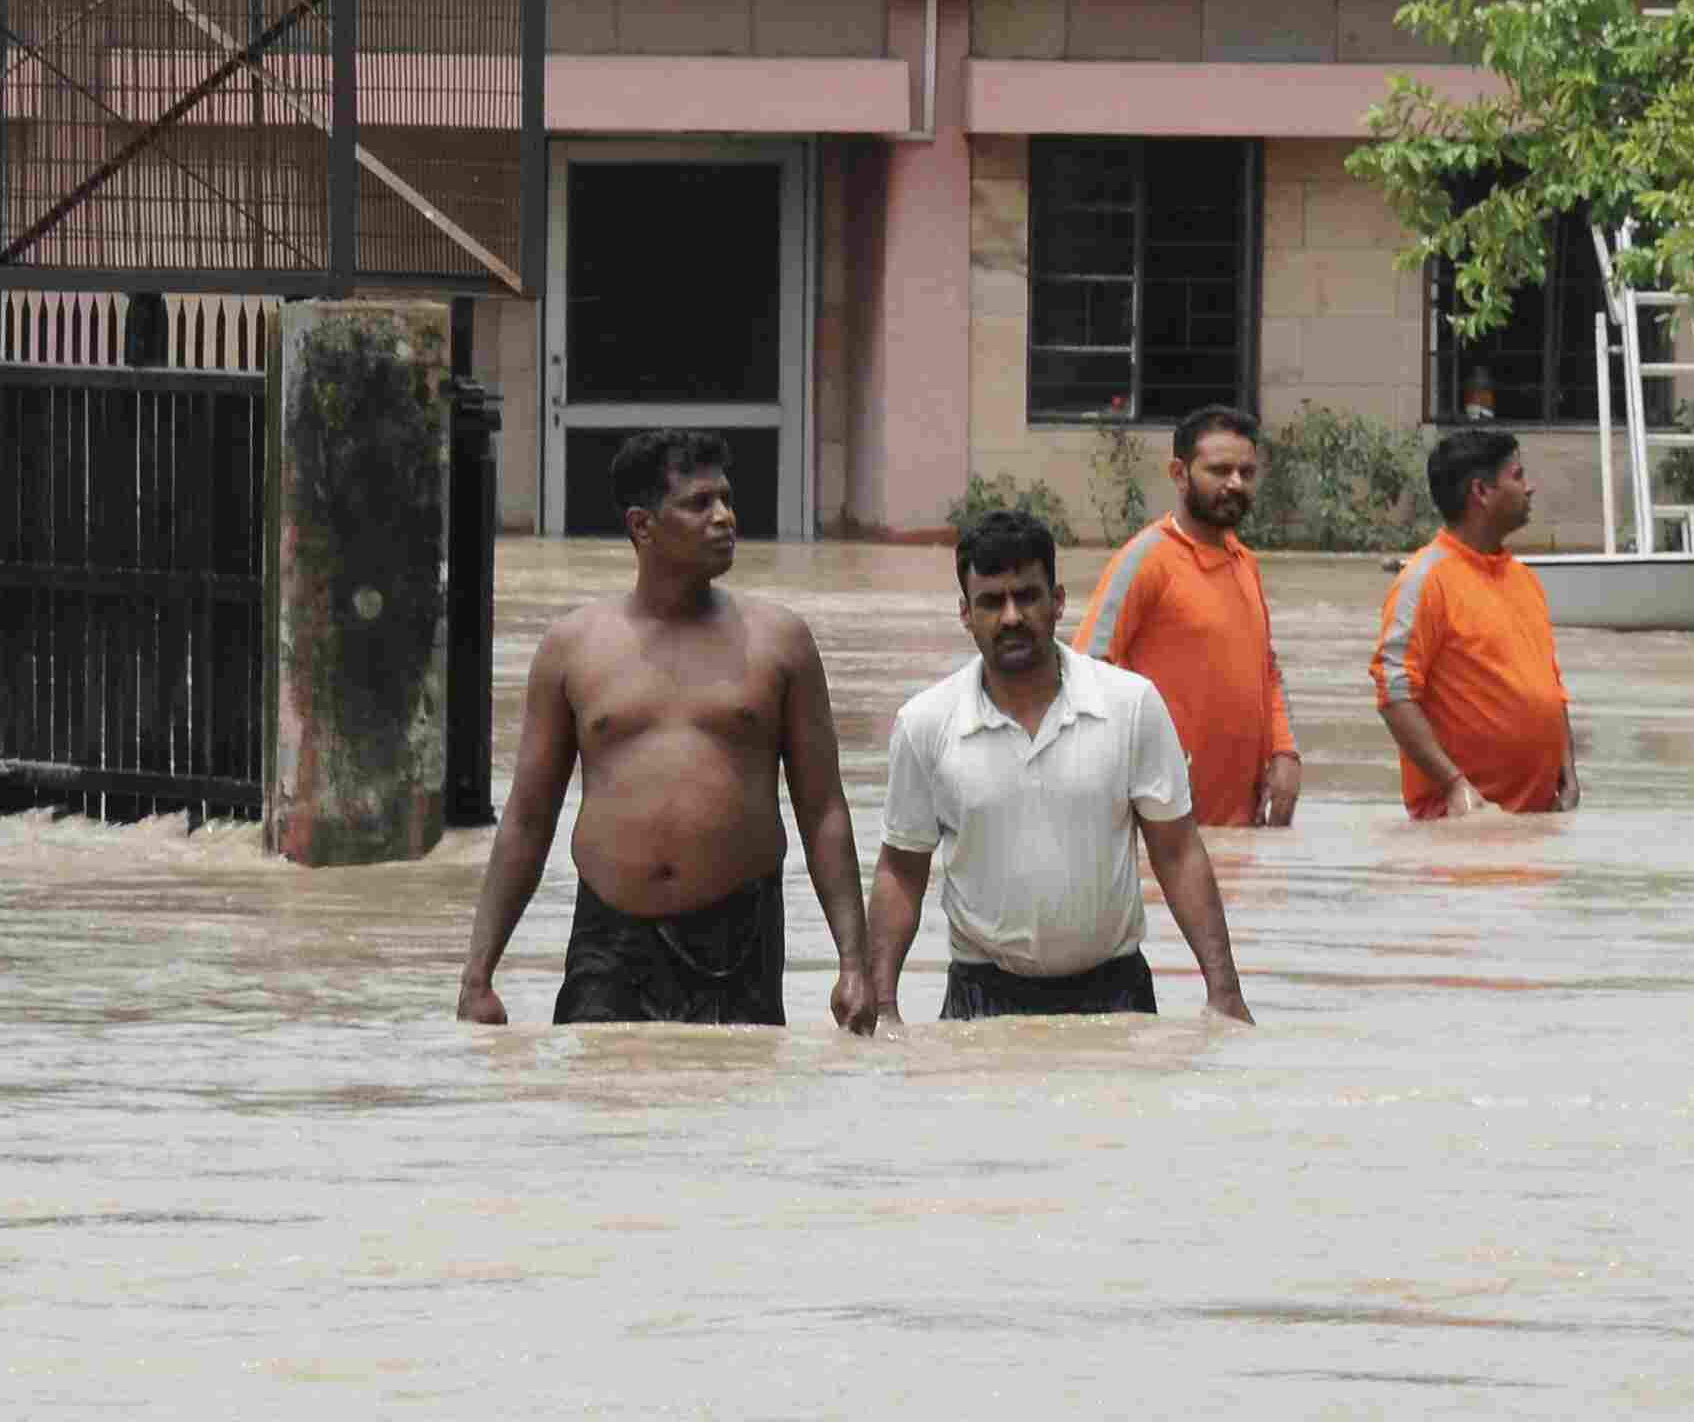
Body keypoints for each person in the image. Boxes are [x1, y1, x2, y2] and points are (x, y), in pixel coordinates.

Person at [456, 429, 875, 1028]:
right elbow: (527, 817)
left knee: (733, 1112)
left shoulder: (781, 642)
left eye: (727, 498)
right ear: (642, 525)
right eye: (699, 503)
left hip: (739, 939)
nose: (725, 517)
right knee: (610, 1114)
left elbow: (825, 809)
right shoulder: (572, 648)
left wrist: (853, 965)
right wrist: (478, 976)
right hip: (610, 941)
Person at [868, 509, 1255, 1025]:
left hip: (1116, 992)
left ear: (1058, 602)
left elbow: (1179, 851)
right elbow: (902, 869)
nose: (1011, 617)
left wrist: (1224, 992)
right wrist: (882, 1003)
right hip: (981, 997)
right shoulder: (925, 723)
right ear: (965, 613)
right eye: (990, 601)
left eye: (1027, 596)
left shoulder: (1130, 704)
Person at [1068, 404, 1301, 827]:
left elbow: (1267, 671)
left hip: (1240, 824)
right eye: (1220, 470)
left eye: (1247, 473)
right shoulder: (1146, 559)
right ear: (1180, 473)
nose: (1235, 483)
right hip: (1160, 828)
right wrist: (1138, 771)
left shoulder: (1245, 563)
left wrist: (1285, 753)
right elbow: (1085, 672)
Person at [1369, 430, 1579, 817]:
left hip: (1538, 822)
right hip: (1463, 825)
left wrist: (1568, 770)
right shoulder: (1424, 580)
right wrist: (1454, 786)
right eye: (1517, 476)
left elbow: (1551, 686)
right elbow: (1394, 694)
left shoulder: (1524, 579)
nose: (1530, 488)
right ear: (1481, 492)